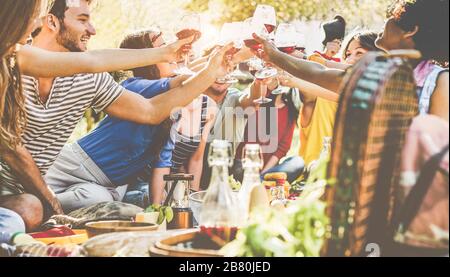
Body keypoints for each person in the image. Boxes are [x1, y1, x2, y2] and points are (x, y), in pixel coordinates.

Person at [0, 0, 231, 228]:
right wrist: (164, 53)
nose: (93, 29)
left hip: (34, 190)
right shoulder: (12, 63)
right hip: (29, 184)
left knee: (108, 207)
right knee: (32, 208)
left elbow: (151, 111)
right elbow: (11, 148)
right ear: (51, 21)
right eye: (83, 19)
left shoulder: (89, 79)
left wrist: (211, 71)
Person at [252, 0, 449, 122]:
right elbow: (318, 72)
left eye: (392, 18)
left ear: (410, 31)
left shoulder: (440, 82)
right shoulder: (380, 76)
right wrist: (274, 55)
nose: (384, 22)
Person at [233, 83, 303, 183]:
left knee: (297, 162)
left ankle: (260, 183)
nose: (278, 80)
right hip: (244, 167)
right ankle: (259, 184)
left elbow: (283, 148)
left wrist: (263, 175)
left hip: (268, 171)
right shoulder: (256, 102)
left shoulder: (289, 110)